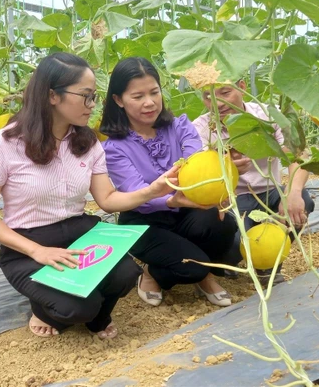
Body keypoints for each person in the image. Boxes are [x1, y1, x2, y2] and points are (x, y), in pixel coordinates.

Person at [0, 53, 179, 339]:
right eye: (86, 96)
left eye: (94, 97)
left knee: (127, 275)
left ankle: (98, 316)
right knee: (76, 309)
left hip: (80, 232)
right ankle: (44, 308)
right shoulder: (2, 145)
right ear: (52, 95)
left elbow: (107, 199)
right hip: (27, 243)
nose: (93, 105)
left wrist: (153, 190)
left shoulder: (87, 141)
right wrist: (36, 251)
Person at [99, 57, 238, 307]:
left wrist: (218, 175)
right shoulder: (114, 148)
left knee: (224, 226)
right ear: (118, 100)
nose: (149, 102)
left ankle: (197, 268)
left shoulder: (180, 126)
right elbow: (138, 194)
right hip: (144, 221)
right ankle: (159, 273)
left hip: (184, 210)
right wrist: (171, 198)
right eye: (138, 96)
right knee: (191, 268)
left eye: (154, 92)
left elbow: (197, 158)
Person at [192, 80, 315, 283]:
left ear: (242, 86)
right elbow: (200, 177)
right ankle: (231, 262)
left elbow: (298, 154)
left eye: (225, 92)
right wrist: (226, 168)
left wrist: (292, 193)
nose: (218, 103)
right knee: (234, 246)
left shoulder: (267, 115)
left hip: (270, 191)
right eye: (208, 96)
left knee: (302, 201)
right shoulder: (201, 128)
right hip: (232, 199)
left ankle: (267, 264)